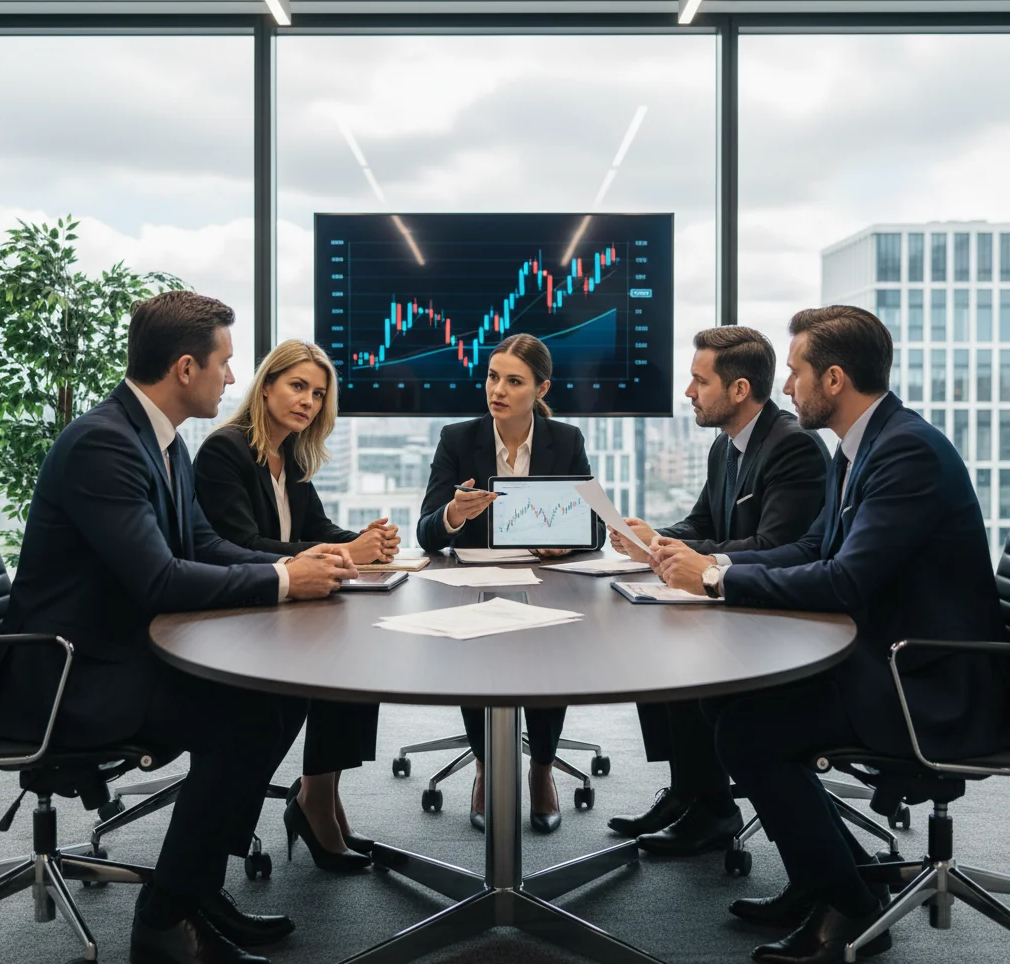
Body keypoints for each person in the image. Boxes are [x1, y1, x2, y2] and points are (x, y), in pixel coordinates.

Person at [0, 291, 358, 964]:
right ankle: (163, 921)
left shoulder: (159, 442)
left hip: (117, 650)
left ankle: (198, 891)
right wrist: (281, 580)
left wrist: (298, 567)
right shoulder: (104, 443)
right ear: (186, 367)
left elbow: (203, 547)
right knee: (244, 716)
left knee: (284, 692)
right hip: (68, 675)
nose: (230, 377)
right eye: (224, 362)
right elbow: (159, 579)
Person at [653, 306, 1009, 964]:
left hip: (926, 680)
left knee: (748, 731)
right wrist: (717, 568)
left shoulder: (905, 451)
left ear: (836, 379)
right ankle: (826, 882)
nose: (786, 388)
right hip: (886, 656)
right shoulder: (863, 444)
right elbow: (814, 547)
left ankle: (846, 906)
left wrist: (716, 582)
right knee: (724, 701)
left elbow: (845, 582)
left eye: (795, 373)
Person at [605, 327, 829, 856]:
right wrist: (656, 539)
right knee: (658, 640)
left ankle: (712, 808)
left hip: (781, 613)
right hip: (741, 598)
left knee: (685, 659)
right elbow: (702, 520)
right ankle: (692, 794)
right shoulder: (725, 446)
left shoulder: (793, 445)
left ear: (739, 389)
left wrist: (698, 564)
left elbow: (778, 544)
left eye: (698, 381)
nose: (688, 393)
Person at [194, 339, 399, 872]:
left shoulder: (293, 455)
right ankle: (314, 806)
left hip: (284, 606)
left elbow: (316, 530)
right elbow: (237, 545)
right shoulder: (226, 450)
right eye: (297, 386)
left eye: (318, 393)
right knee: (334, 659)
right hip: (239, 610)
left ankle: (320, 795)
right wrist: (337, 552)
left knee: (354, 648)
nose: (308, 401)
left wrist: (366, 541)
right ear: (266, 387)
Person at [417, 333, 605, 834]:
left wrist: (569, 541)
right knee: (474, 655)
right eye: (493, 377)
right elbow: (426, 530)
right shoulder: (458, 438)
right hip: (475, 578)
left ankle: (541, 766)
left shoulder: (564, 440)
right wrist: (453, 514)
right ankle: (485, 764)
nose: (497, 389)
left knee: (551, 657)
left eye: (514, 381)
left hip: (545, 579)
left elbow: (598, 527)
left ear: (541, 389)